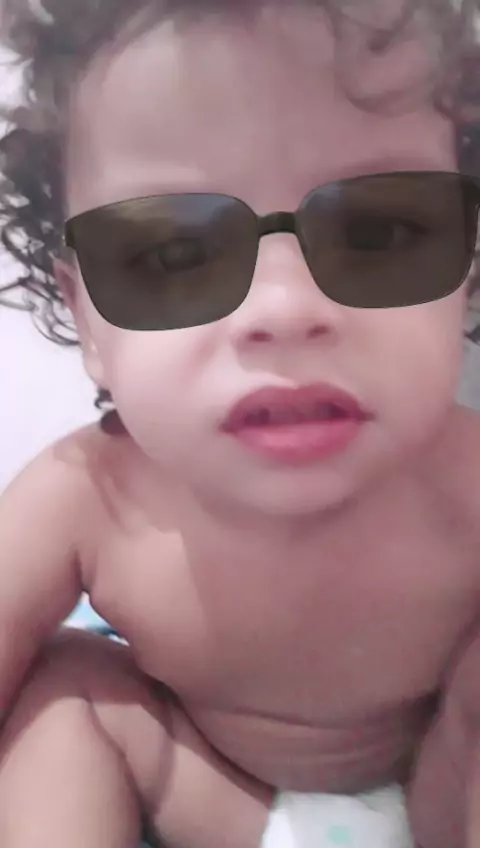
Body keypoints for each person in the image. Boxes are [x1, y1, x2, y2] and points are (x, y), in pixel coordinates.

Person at [0, 0, 480, 845]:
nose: (285, 311)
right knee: (67, 690)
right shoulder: (83, 500)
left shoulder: (467, 478)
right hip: (211, 798)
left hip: (443, 789)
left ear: (467, 278)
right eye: (173, 253)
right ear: (87, 322)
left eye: (377, 231)